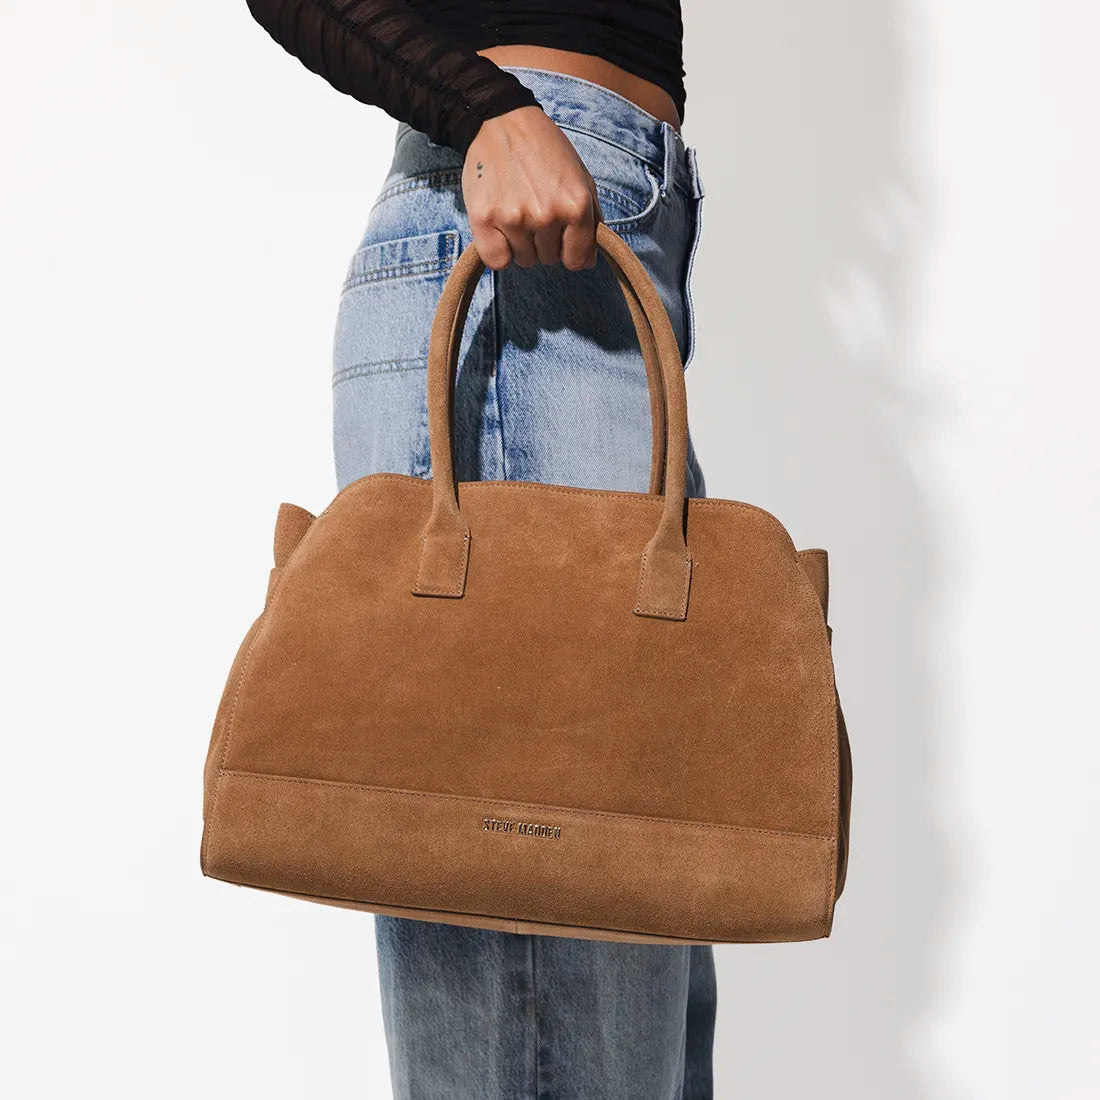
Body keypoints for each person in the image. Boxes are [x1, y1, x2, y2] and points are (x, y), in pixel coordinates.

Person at [243, 3, 713, 1096]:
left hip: (600, 228)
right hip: (514, 244)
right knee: (560, 947)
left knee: (635, 932)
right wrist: (489, 112)